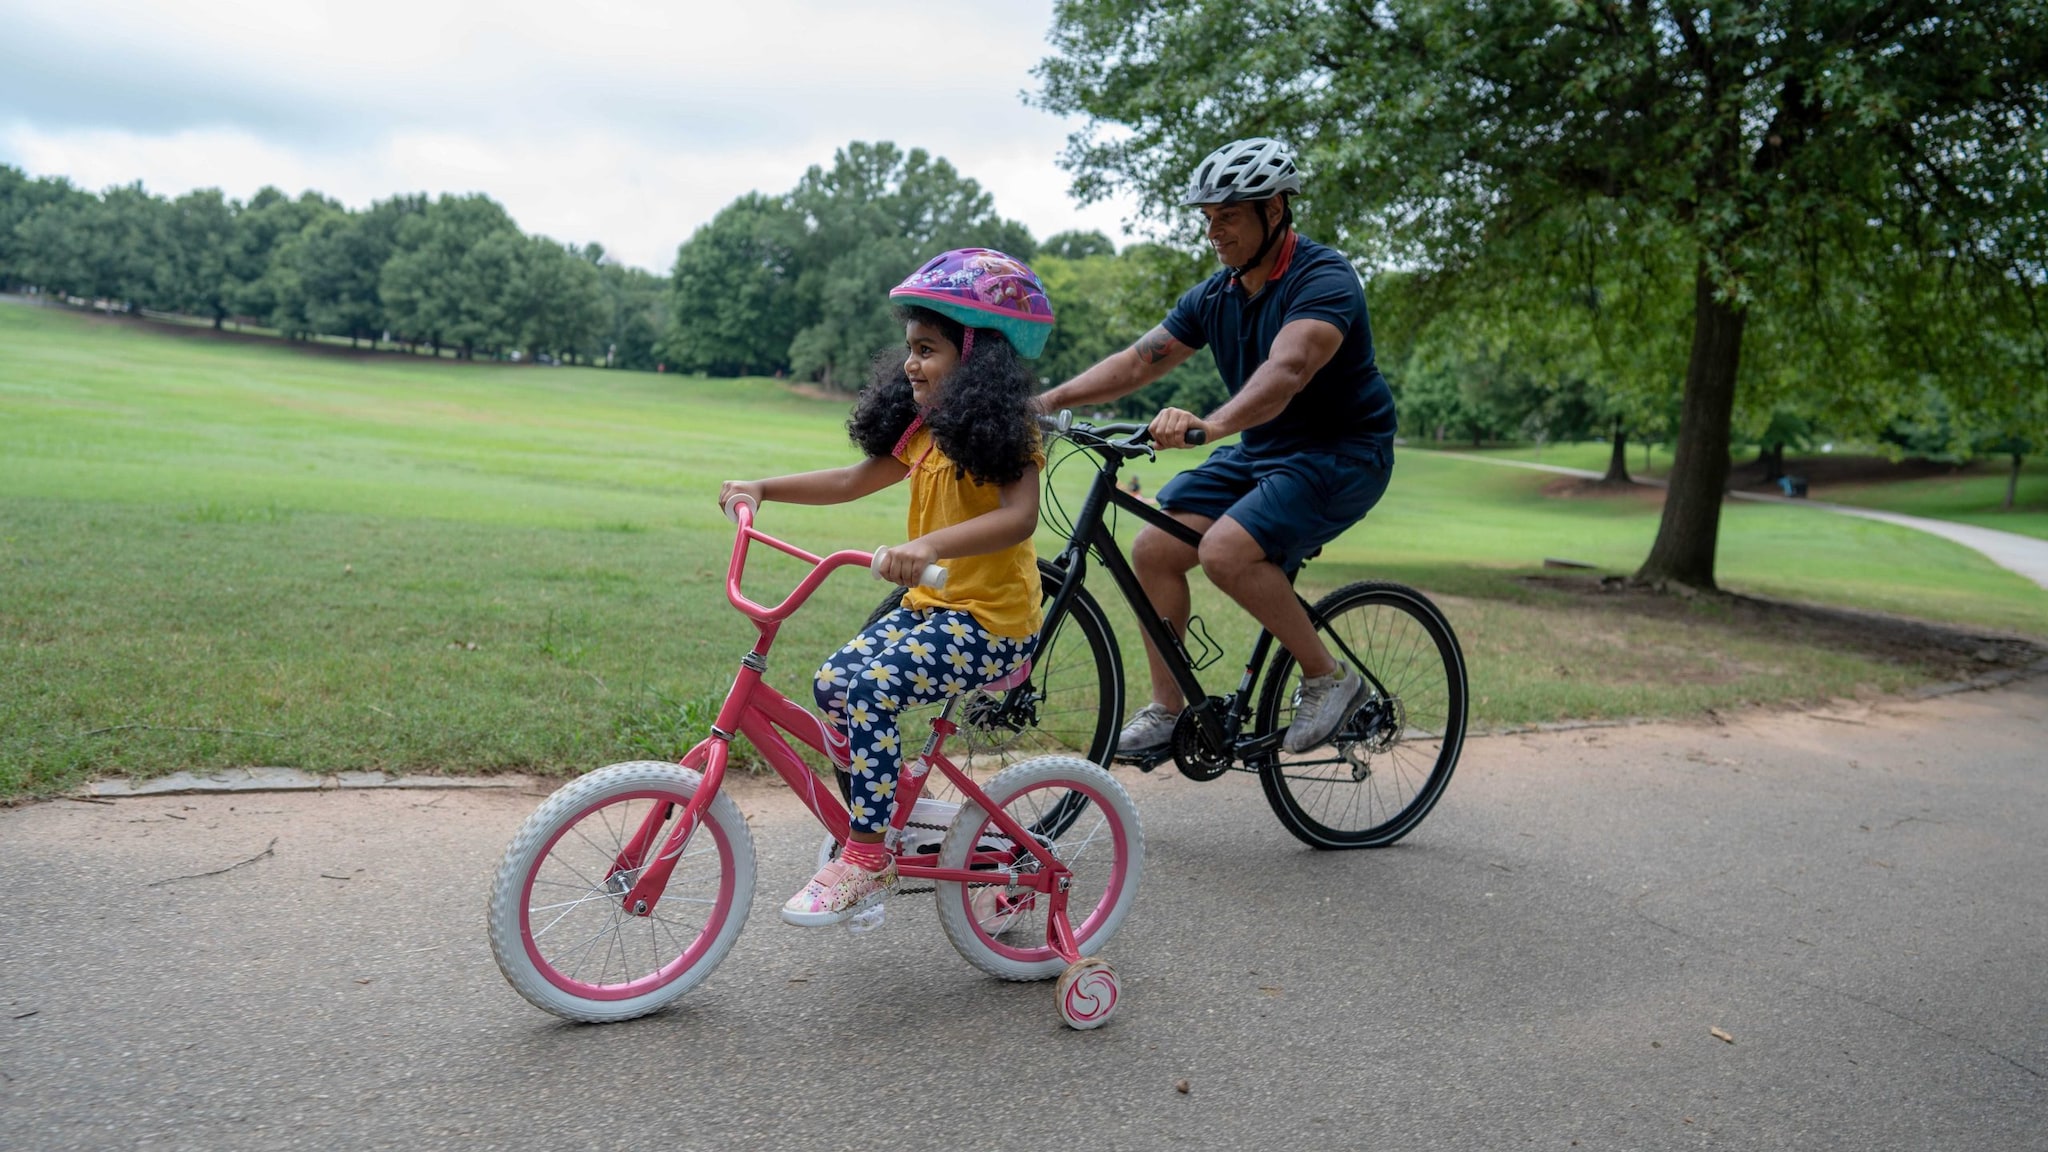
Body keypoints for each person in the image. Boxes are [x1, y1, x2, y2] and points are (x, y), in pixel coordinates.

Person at [719, 248, 1053, 928]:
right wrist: (763, 487)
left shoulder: (1007, 431)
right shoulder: (924, 433)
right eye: (910, 349)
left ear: (975, 357)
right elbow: (850, 480)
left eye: (928, 349)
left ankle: (868, 856)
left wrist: (928, 545)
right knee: (833, 685)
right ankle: (881, 817)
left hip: (992, 621)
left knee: (871, 692)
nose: (911, 364)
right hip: (934, 607)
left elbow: (1018, 517)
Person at [1035, 137, 1397, 758]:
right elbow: (1138, 361)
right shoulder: (1217, 294)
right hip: (1264, 450)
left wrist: (1213, 425)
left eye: (1227, 216)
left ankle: (1329, 680)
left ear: (1275, 210)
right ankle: (1170, 713)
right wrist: (1046, 402)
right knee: (1152, 549)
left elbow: (1288, 370)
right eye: (1208, 219)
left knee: (1227, 552)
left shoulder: (1324, 278)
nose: (1214, 232)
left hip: (1341, 455)